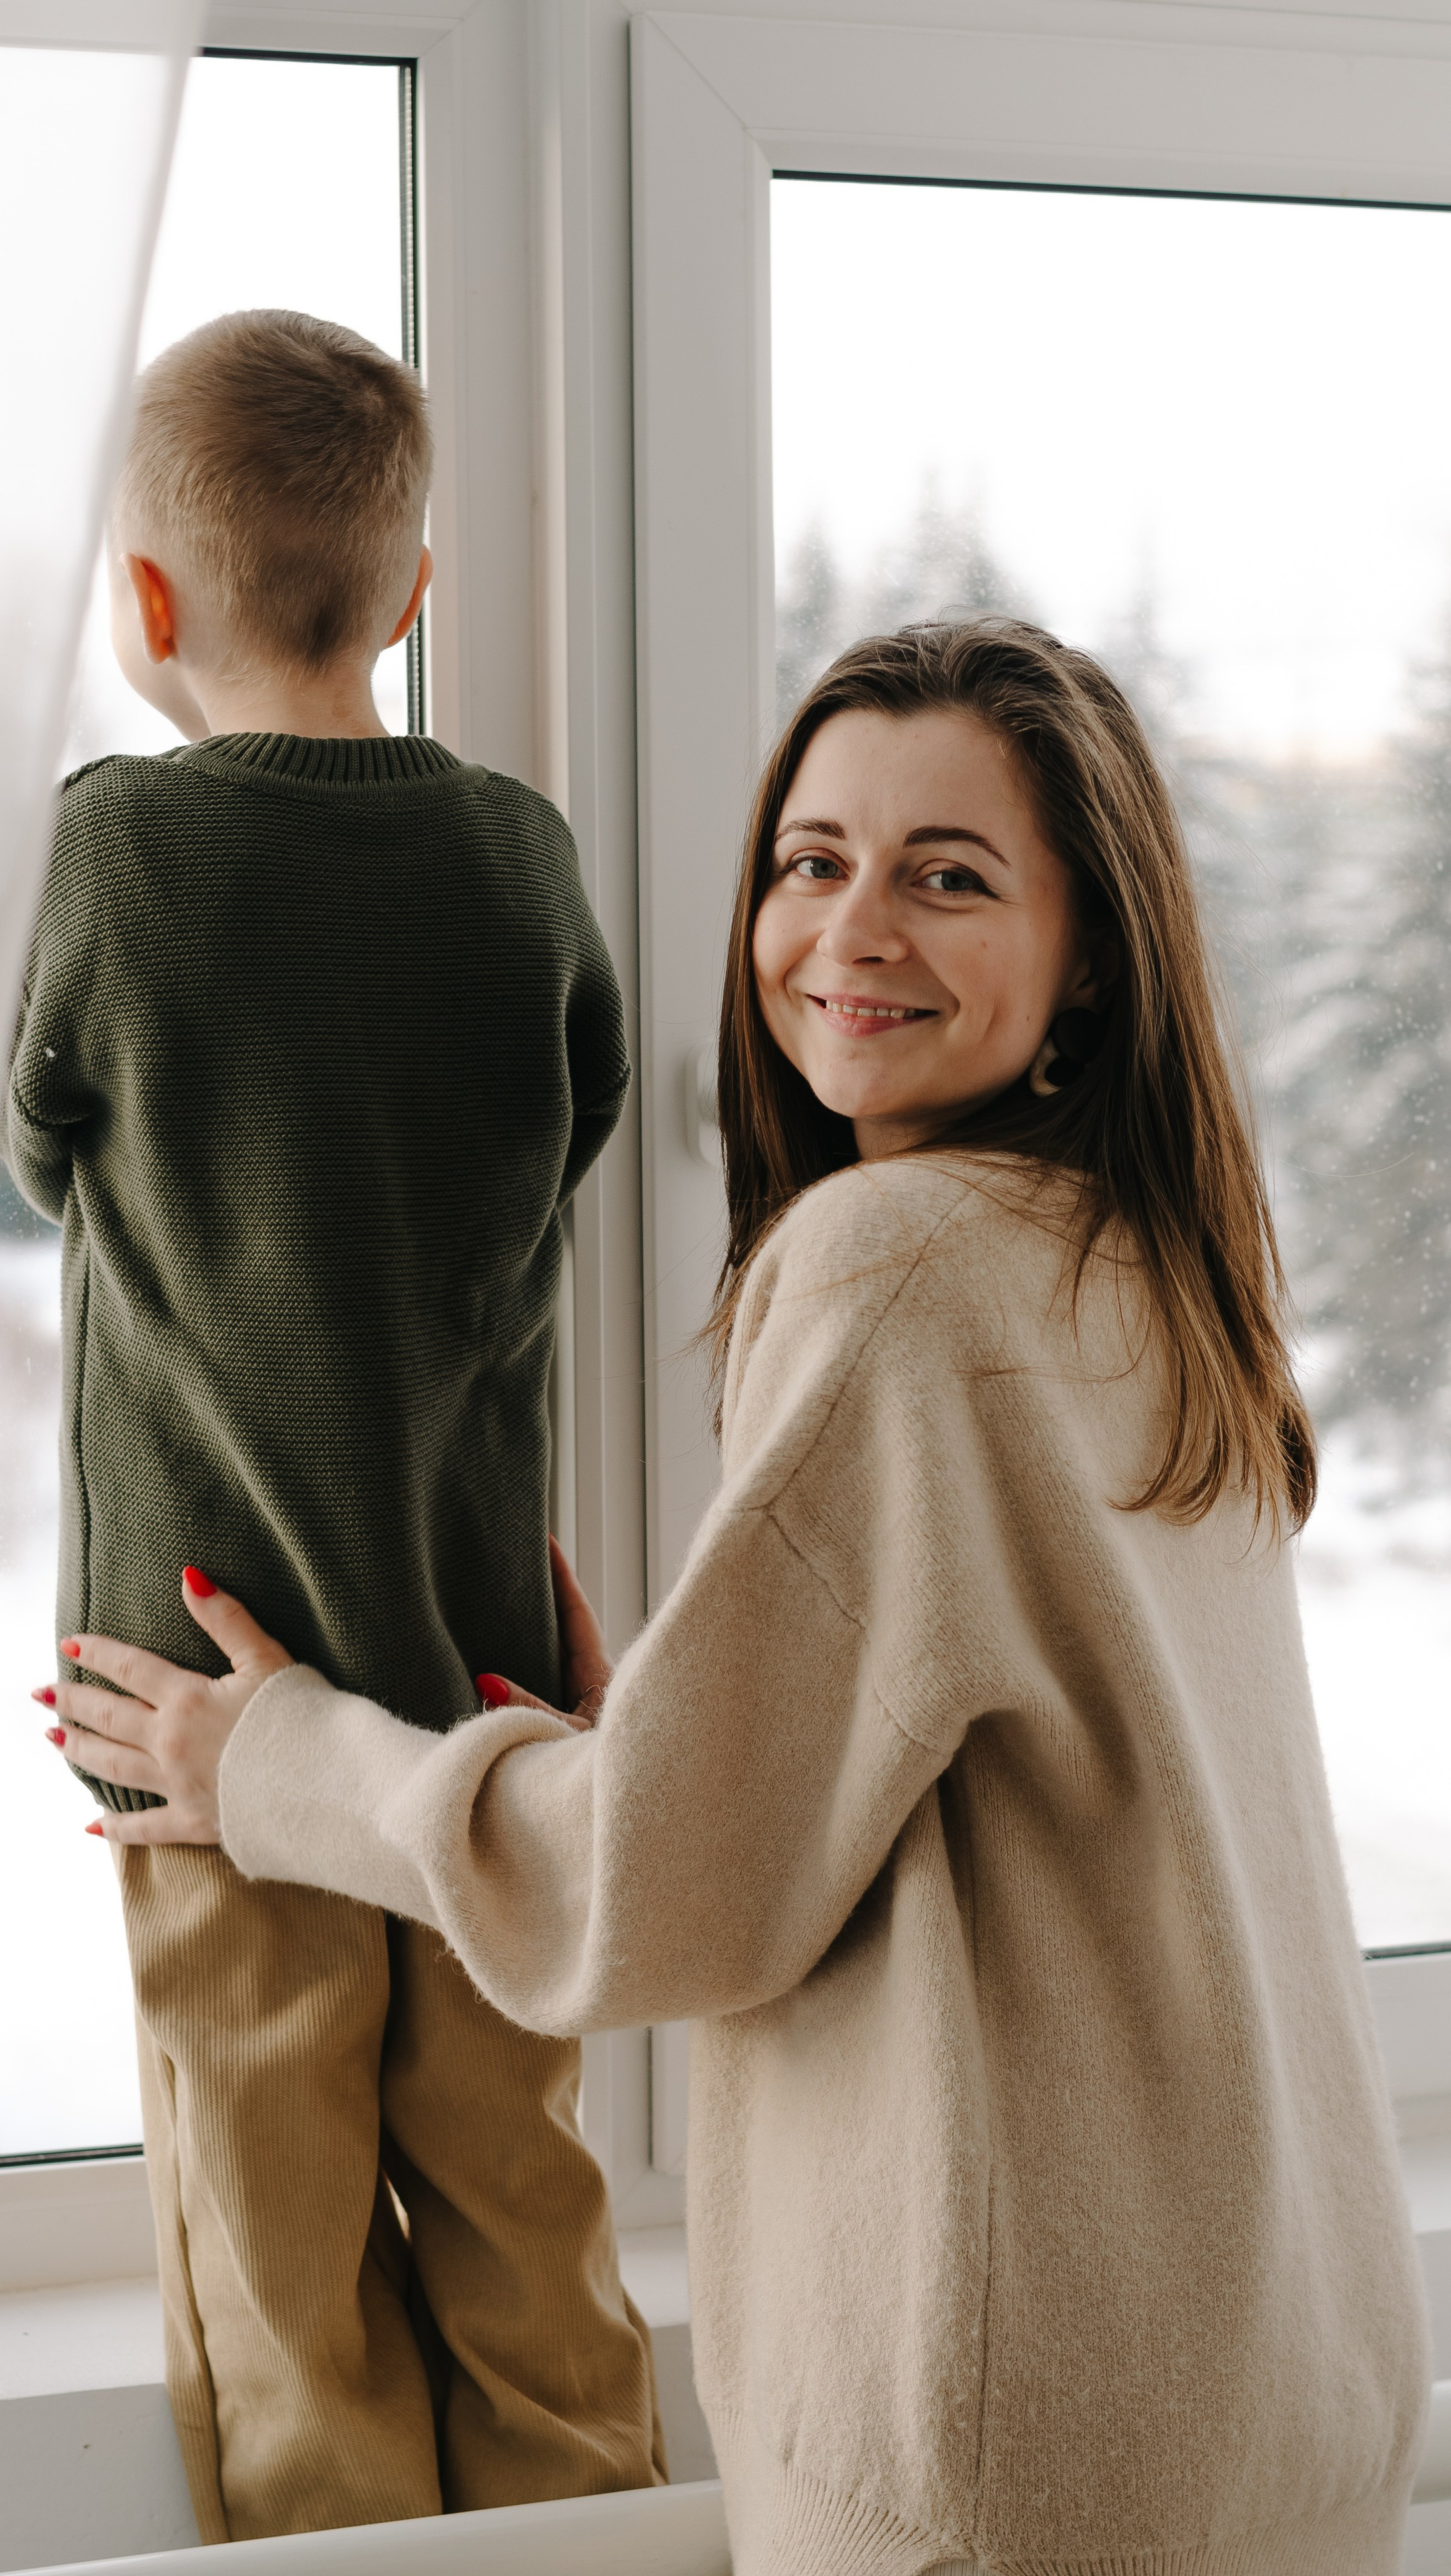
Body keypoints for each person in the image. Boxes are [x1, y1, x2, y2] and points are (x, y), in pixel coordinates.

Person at [48, 618, 1432, 2573]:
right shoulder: (1142, 1267)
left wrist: (279, 1756)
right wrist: (672, 1730)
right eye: (811, 861)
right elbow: (1006, 1794)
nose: (850, 926)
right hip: (1278, 2389)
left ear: (1093, 951)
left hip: (1018, 2456)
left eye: (947, 874)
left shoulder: (895, 1271)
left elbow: (662, 1887)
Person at [11, 310, 662, 2541]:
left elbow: (40, 1131)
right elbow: (566, 1125)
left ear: (149, 606)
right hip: (485, 1699)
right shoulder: (518, 856)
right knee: (524, 2206)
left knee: (276, 2253)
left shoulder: (117, 857)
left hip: (204, 1705)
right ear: (411, 596)